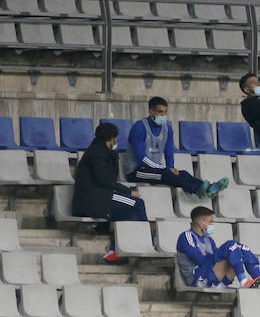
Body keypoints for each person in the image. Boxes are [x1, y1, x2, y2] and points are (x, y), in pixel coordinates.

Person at [71, 121, 147, 263]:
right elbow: (104, 180)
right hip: (96, 201)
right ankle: (144, 241)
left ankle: (116, 250)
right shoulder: (99, 154)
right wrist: (128, 192)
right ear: (112, 138)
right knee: (137, 203)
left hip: (99, 198)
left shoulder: (97, 151)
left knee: (128, 214)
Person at [125, 96, 226, 199]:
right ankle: (197, 190)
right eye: (160, 112)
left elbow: (169, 152)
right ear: (151, 111)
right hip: (137, 171)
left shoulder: (167, 128)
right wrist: (166, 169)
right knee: (166, 175)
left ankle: (208, 187)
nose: (163, 115)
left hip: (156, 169)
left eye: (165, 112)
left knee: (182, 174)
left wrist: (171, 168)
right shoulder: (139, 127)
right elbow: (142, 159)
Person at [176, 206, 260, 290]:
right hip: (197, 277)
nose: (213, 224)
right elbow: (199, 259)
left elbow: (212, 257)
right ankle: (244, 282)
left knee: (239, 249)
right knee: (231, 245)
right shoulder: (186, 236)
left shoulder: (208, 240)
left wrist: (223, 256)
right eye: (210, 221)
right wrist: (220, 256)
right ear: (201, 223)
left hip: (209, 272)